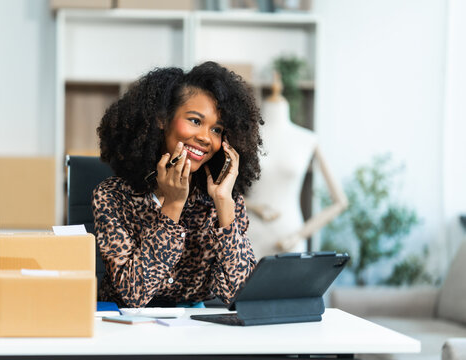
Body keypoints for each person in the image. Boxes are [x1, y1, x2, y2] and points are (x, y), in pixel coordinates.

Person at [93, 61, 263, 308]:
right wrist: (173, 205)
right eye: (195, 121)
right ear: (163, 119)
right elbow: (134, 294)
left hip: (193, 330)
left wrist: (225, 205)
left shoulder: (220, 198)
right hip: (124, 328)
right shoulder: (112, 196)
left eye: (217, 129)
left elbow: (241, 296)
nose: (206, 137)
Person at [246, 74, 348, 259]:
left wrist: (299, 235)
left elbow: (340, 201)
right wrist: (252, 206)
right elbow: (219, 191)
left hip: (290, 236)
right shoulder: (245, 138)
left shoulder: (307, 139)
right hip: (249, 235)